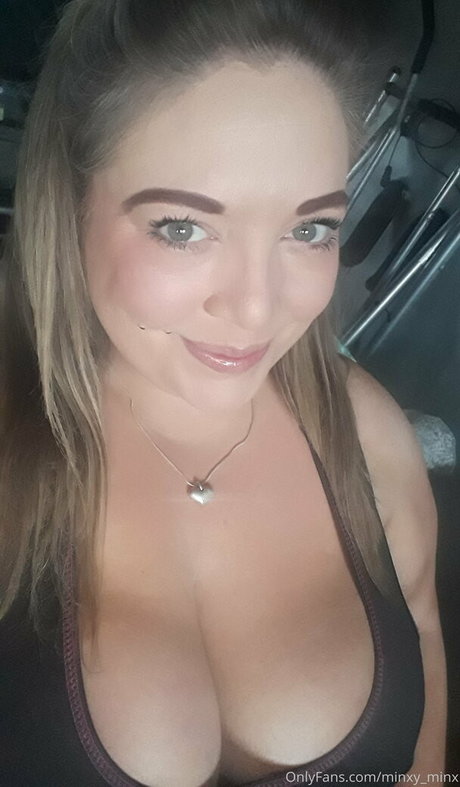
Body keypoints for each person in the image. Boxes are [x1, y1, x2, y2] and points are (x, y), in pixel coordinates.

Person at [0, 1, 447, 785]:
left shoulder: (364, 429)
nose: (256, 309)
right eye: (182, 227)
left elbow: (424, 642)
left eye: (308, 229)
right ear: (70, 207)